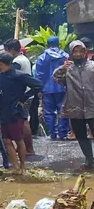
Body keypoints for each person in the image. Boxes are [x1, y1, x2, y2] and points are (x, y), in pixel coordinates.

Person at [0, 53, 42, 175]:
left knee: (19, 140)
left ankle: (23, 166)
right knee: (6, 140)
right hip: (3, 112)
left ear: (0, 63)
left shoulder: (18, 75)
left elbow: (38, 85)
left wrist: (23, 98)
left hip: (15, 112)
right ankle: (15, 167)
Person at [53, 40, 94, 170]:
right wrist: (62, 68)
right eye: (75, 51)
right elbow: (56, 77)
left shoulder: (92, 66)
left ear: (85, 52)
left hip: (92, 105)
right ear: (71, 53)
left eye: (80, 51)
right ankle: (89, 160)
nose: (78, 54)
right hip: (75, 107)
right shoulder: (68, 69)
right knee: (81, 136)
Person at [3, 39, 36, 154]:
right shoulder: (24, 58)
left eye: (6, 51)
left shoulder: (17, 62)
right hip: (26, 94)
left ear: (11, 50)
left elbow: (13, 77)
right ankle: (26, 148)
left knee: (23, 122)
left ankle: (29, 148)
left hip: (22, 96)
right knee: (24, 121)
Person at [35, 36, 70, 140]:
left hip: (46, 89)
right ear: (59, 44)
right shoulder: (65, 56)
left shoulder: (41, 58)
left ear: (46, 45)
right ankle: (63, 132)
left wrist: (39, 89)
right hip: (62, 88)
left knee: (49, 113)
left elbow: (38, 75)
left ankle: (52, 133)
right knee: (62, 110)